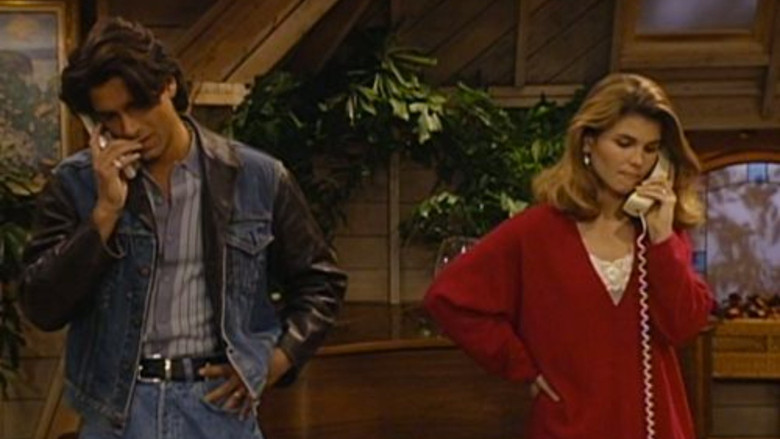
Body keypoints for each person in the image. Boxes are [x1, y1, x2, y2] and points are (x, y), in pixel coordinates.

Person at [20, 17, 347, 439]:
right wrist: (104, 213)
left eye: (138, 107)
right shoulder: (76, 183)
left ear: (169, 85)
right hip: (117, 411)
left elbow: (321, 282)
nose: (129, 128)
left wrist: (276, 362)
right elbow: (42, 306)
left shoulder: (257, 177)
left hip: (218, 406)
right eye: (111, 117)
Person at [424, 73, 713, 439]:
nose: (638, 160)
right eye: (624, 143)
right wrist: (522, 366)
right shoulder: (535, 231)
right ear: (588, 142)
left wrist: (662, 239)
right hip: (569, 425)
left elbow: (684, 326)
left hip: (655, 428)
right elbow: (448, 298)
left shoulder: (662, 232)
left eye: (651, 148)